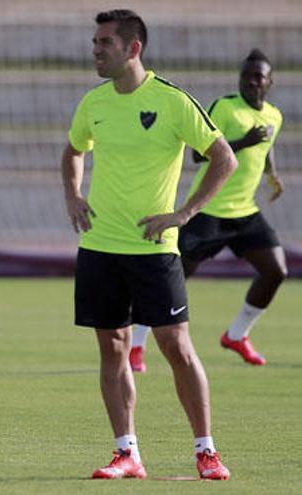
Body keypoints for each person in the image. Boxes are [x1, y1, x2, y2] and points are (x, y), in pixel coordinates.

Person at [62, 10, 236, 480]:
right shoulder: (93, 103)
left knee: (175, 345)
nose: (95, 49)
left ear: (133, 48)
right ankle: (127, 453)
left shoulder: (173, 101)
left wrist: (183, 214)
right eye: (95, 41)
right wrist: (74, 196)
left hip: (155, 250)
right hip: (100, 247)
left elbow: (224, 158)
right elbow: (74, 150)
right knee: (112, 348)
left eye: (105, 42)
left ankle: (206, 451)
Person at [130, 49, 285, 370]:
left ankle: (237, 335)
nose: (252, 82)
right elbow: (199, 156)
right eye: (246, 76)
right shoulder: (226, 107)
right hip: (208, 210)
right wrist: (242, 141)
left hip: (245, 213)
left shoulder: (274, 115)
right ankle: (136, 347)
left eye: (258, 77)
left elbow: (265, 147)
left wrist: (272, 174)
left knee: (275, 271)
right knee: (170, 278)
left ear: (270, 82)